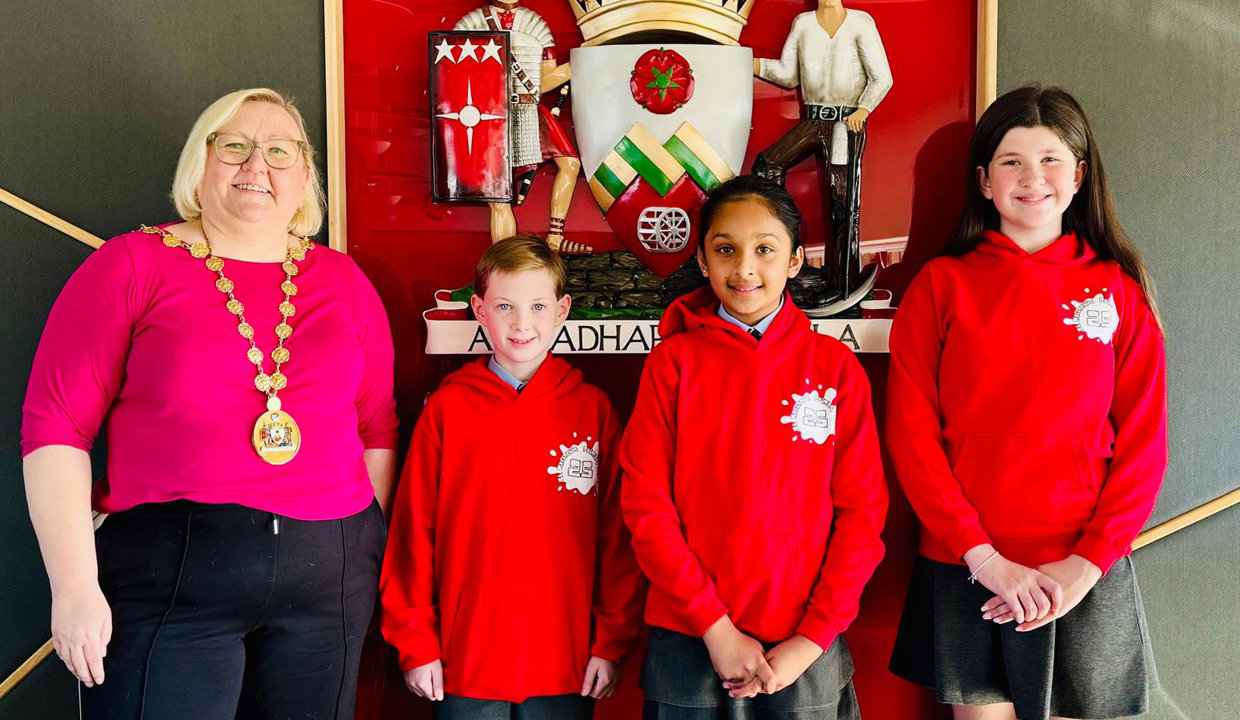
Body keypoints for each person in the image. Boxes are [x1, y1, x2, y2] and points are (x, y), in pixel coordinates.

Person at [21, 88, 398, 719]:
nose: (258, 166)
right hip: (170, 578)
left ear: (305, 175)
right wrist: (75, 588)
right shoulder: (131, 265)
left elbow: (377, 428)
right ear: (201, 164)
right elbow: (55, 429)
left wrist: (356, 555)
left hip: (326, 585)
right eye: (235, 147)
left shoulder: (345, 282)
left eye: (279, 150)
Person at [886, 85, 1167, 720]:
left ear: (1080, 176)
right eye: (1012, 161)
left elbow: (1145, 446)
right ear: (984, 181)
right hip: (970, 563)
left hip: (1082, 566)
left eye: (1050, 159)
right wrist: (982, 556)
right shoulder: (942, 285)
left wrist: (1087, 564)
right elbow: (912, 436)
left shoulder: (1118, 292)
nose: (1032, 178)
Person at [620, 175, 888, 719]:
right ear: (702, 260)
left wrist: (811, 640)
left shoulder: (835, 369)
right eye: (725, 249)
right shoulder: (671, 366)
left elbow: (862, 516)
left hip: (804, 642)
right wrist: (716, 629)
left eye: (765, 249)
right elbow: (647, 509)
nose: (744, 268)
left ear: (794, 261)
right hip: (691, 637)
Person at [379, 235, 644, 719]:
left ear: (562, 310)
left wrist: (611, 640)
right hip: (466, 662)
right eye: (505, 306)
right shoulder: (448, 410)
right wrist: (416, 643)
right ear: (479, 311)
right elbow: (413, 533)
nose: (522, 324)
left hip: (568, 663)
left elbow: (617, 540)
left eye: (538, 306)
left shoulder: (592, 410)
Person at [752, 0, 893, 303]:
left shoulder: (860, 23)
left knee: (843, 203)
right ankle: (785, 255)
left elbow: (882, 77)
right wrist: (754, 65)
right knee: (768, 164)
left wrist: (864, 108)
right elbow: (789, 75)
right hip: (813, 119)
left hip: (846, 123)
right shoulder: (803, 23)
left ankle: (842, 280)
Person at [453, 0, 589, 254]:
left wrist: (578, 65)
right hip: (488, 117)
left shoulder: (536, 24)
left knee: (570, 164)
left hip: (527, 108)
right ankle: (504, 261)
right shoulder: (471, 23)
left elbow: (544, 80)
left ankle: (555, 236)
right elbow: (454, 73)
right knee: (498, 193)